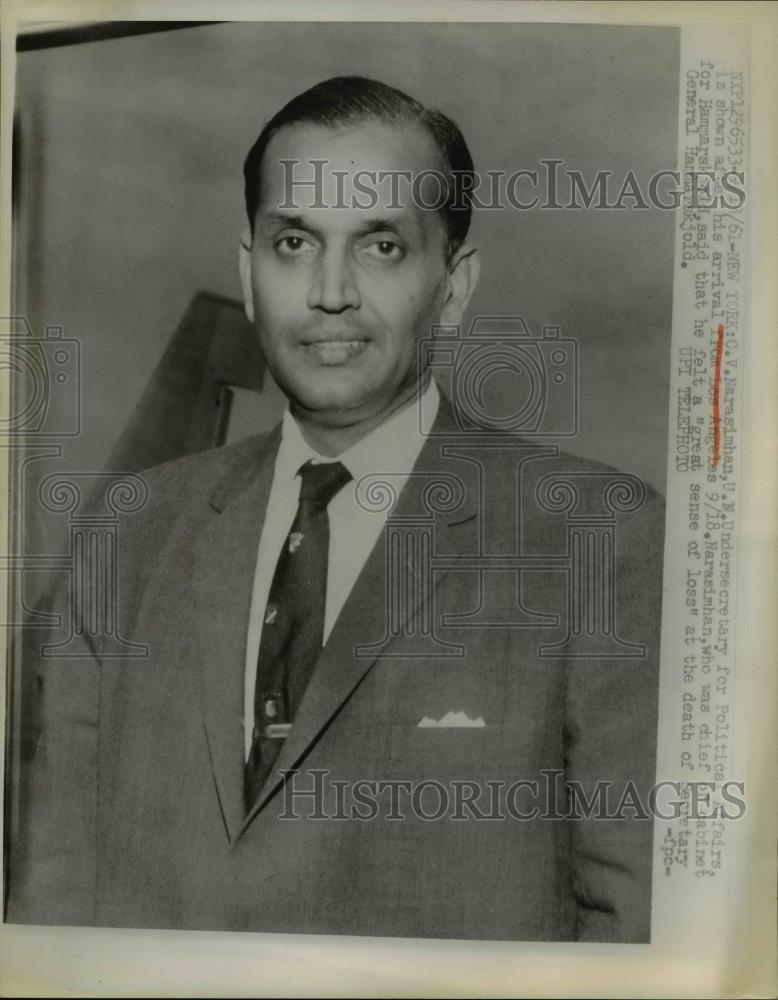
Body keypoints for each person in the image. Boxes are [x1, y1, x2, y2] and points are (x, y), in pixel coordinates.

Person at [8, 76, 664, 941]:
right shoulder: (128, 531)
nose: (328, 292)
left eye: (381, 247)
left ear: (455, 287)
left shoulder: (602, 539)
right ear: (249, 274)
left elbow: (641, 936)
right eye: (293, 241)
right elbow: (52, 918)